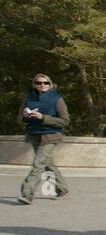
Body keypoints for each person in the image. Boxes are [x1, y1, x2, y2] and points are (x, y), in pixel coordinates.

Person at [17, 73, 71, 204]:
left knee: (38, 165)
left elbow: (65, 121)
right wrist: (25, 116)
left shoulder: (57, 99)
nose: (42, 85)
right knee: (47, 164)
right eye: (39, 83)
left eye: (45, 83)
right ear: (34, 85)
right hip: (34, 134)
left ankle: (27, 194)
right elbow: (20, 118)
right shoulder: (29, 98)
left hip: (50, 136)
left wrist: (43, 117)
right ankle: (62, 188)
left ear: (50, 84)